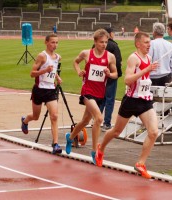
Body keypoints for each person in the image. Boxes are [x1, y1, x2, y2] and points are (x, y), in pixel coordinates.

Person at [95, 32, 159, 179]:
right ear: (138, 44)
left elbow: (144, 79)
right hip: (131, 101)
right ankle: (101, 148)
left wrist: (147, 72)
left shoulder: (148, 58)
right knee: (116, 131)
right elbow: (127, 80)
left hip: (145, 100)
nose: (149, 45)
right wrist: (146, 70)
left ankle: (140, 163)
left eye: (150, 42)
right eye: (146, 42)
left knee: (154, 132)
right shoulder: (133, 58)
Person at [65, 29, 118, 164]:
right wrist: (79, 71)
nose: (104, 45)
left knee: (85, 121)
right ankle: (94, 151)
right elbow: (75, 62)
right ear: (95, 42)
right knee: (99, 118)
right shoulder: (86, 53)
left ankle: (70, 138)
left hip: (100, 93)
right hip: (87, 91)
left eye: (106, 42)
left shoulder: (110, 57)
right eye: (101, 42)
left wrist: (108, 74)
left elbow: (116, 74)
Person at [21, 34, 63, 154]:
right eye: (52, 42)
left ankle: (55, 144)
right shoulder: (42, 56)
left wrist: (57, 77)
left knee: (54, 116)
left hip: (50, 90)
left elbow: (53, 70)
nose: (55, 45)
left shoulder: (57, 57)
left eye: (57, 43)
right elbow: (32, 73)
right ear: (46, 42)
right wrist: (45, 70)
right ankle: (25, 120)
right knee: (36, 116)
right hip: (39, 90)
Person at [100, 27, 122, 131]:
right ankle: (106, 123)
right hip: (110, 76)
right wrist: (117, 74)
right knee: (109, 100)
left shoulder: (96, 45)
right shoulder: (114, 45)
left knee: (100, 98)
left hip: (99, 76)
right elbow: (118, 62)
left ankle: (96, 119)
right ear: (109, 34)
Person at [148, 22, 172, 86]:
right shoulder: (170, 45)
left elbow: (147, 60)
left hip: (152, 77)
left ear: (154, 32)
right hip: (166, 76)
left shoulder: (150, 44)